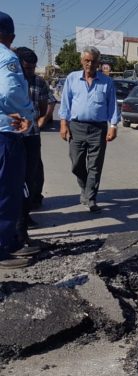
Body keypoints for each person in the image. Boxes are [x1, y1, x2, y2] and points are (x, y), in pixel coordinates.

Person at [59, 46, 119, 213]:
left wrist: (113, 126)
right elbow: (65, 104)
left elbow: (112, 106)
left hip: (98, 129)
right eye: (86, 60)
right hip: (76, 127)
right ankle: (85, 187)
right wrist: (63, 124)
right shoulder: (72, 79)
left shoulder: (107, 82)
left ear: (98, 63)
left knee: (95, 166)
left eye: (93, 61)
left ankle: (91, 197)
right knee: (76, 164)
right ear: (81, 61)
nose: (89, 64)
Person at [0, 11, 38, 268]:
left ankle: (12, 241)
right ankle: (3, 249)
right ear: (10, 35)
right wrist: (28, 114)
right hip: (6, 133)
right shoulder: (6, 56)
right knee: (7, 190)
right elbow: (9, 90)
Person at [14, 47, 51, 217]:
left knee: (33, 173)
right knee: (14, 175)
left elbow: (46, 105)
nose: (30, 71)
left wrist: (42, 119)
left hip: (32, 135)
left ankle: (28, 210)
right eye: (27, 68)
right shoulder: (10, 82)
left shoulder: (39, 82)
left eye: (33, 68)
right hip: (13, 137)